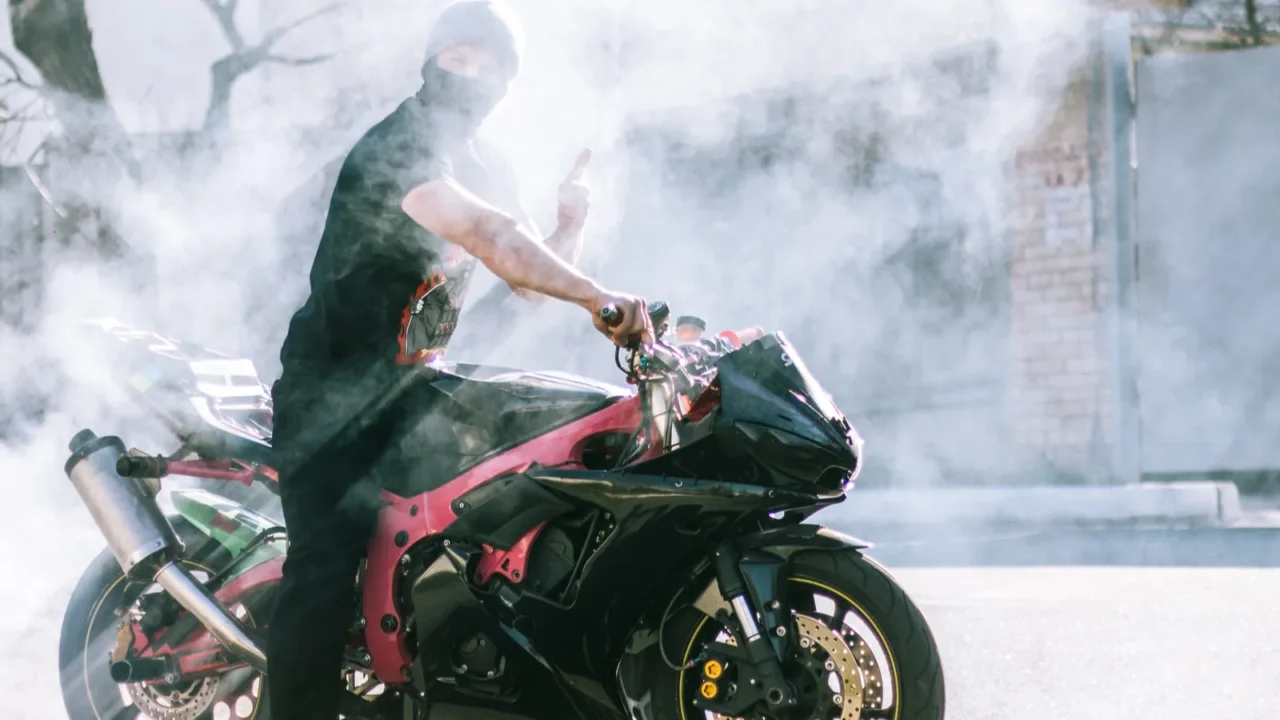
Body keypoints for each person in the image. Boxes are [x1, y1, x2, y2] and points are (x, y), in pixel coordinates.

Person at [263, 2, 653, 717]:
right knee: (323, 564)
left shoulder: (482, 160)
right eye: (457, 58)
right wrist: (600, 298)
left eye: (489, 65)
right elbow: (487, 232)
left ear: (507, 82)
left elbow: (525, 281)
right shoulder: (400, 146)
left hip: (410, 389)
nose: (470, 75)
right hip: (332, 398)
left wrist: (571, 225)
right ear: (430, 60)